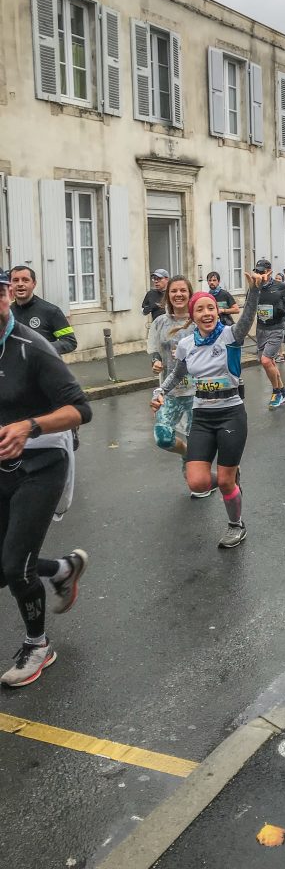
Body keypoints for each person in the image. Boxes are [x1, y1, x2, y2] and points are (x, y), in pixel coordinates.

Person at [0, 268, 92, 687]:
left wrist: (28, 426)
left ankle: (38, 646)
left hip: (42, 462)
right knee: (4, 565)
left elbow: (80, 410)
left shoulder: (32, 348)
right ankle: (61, 569)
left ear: (5, 299)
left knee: (15, 565)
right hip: (3, 462)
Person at [151, 272, 260, 548]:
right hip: (202, 416)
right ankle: (230, 481)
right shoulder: (186, 344)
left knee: (223, 482)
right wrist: (160, 392)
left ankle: (236, 524)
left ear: (216, 311)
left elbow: (247, 317)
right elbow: (176, 375)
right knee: (197, 482)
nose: (206, 313)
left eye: (210, 307)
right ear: (193, 315)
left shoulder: (229, 336)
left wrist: (254, 290)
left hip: (231, 413)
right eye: (200, 309)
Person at [147, 275, 214, 498]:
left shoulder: (198, 320)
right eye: (174, 291)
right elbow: (153, 347)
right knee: (163, 437)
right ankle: (186, 453)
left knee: (197, 440)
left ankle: (199, 481)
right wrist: (156, 362)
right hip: (170, 390)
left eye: (183, 291)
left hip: (198, 391)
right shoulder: (160, 322)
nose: (178, 295)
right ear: (168, 295)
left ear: (189, 293)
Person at [251, 260, 285, 409]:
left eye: (262, 272)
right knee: (269, 362)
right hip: (261, 329)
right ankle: (283, 391)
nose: (259, 274)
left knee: (265, 361)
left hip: (276, 328)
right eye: (257, 271)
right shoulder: (254, 287)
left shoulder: (279, 286)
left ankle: (276, 392)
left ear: (269, 271)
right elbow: (249, 306)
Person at [10, 266, 78, 355]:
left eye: (25, 280)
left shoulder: (51, 311)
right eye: (15, 280)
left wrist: (42, 347)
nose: (20, 284)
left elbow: (70, 341)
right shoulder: (6, 312)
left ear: (34, 284)